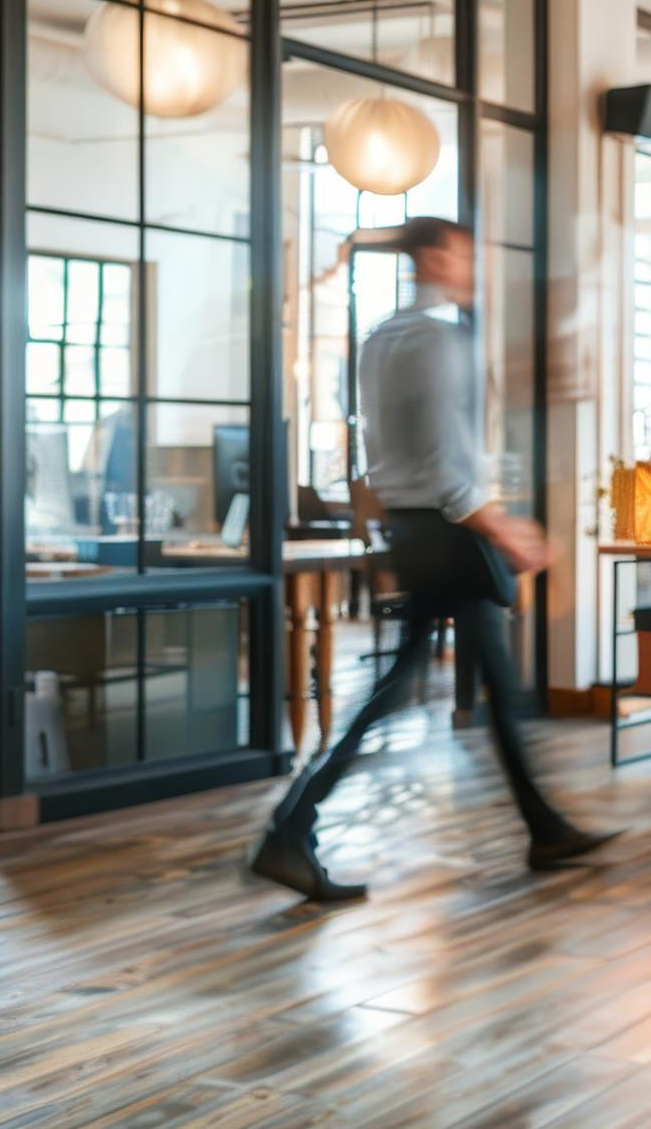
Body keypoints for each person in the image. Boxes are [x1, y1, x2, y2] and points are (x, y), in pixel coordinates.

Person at [252, 217, 618, 902]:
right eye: (462, 252)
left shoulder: (376, 341)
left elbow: (382, 452)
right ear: (430, 256)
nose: (471, 265)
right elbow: (449, 466)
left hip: (413, 529)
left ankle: (543, 827)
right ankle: (287, 829)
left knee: (470, 685)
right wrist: (504, 530)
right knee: (411, 689)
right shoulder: (439, 341)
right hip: (453, 531)